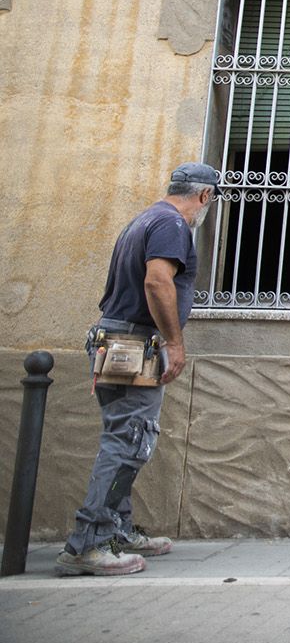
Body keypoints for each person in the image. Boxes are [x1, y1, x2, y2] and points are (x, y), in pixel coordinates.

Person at [56, 162, 220, 576]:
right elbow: (157, 281)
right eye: (212, 200)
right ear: (204, 195)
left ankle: (116, 531)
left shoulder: (145, 219)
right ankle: (89, 543)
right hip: (133, 343)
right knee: (129, 442)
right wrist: (174, 342)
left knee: (124, 438)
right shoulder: (172, 225)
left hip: (114, 338)